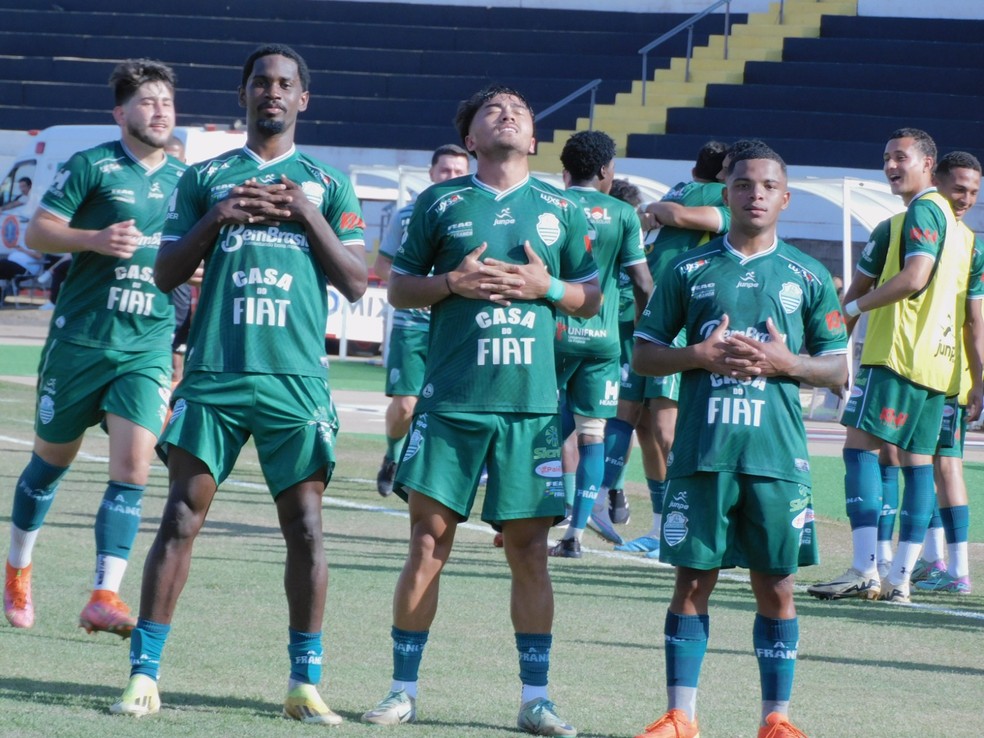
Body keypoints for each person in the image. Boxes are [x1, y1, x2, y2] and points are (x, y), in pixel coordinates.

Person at [110, 44, 368, 723]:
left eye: (285, 84)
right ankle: (144, 674)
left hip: (295, 379)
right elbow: (164, 274)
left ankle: (304, 682)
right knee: (180, 517)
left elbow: (356, 281)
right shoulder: (205, 178)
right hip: (217, 372)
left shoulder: (328, 182)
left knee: (307, 529)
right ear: (244, 94)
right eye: (261, 82)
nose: (272, 93)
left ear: (303, 99)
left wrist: (304, 213)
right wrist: (218, 217)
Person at [360, 84, 599, 736]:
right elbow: (399, 287)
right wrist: (451, 284)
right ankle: (402, 690)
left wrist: (545, 285)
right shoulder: (438, 203)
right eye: (495, 110)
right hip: (452, 404)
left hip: (529, 408)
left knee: (530, 553)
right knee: (427, 543)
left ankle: (535, 699)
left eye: (521, 110)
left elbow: (592, 294)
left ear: (533, 140)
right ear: (471, 139)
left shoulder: (562, 207)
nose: (510, 113)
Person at [630, 140, 848, 738]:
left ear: (785, 197)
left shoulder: (807, 275)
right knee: (692, 579)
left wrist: (786, 362)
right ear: (726, 195)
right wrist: (696, 354)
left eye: (767, 186)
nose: (755, 195)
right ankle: (682, 716)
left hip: (777, 457)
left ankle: (775, 719)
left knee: (776, 583)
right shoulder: (689, 271)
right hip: (703, 451)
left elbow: (836, 369)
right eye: (744, 185)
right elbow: (644, 355)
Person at [3, 59, 185, 634]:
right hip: (81, 341)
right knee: (50, 464)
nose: (159, 111)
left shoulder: (188, 180)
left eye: (166, 103)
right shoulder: (93, 165)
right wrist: (94, 239)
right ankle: (17, 571)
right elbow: (37, 232)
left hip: (147, 345)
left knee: (133, 468)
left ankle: (105, 594)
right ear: (120, 113)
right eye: (147, 101)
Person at [808, 129, 982, 604]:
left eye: (900, 157)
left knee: (861, 449)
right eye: (885, 157)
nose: (889, 166)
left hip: (899, 354)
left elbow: (915, 277)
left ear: (929, 164)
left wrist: (852, 310)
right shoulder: (962, 232)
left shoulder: (920, 213)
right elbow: (971, 313)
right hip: (941, 367)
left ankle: (865, 566)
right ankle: (901, 577)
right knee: (919, 465)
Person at [854, 151, 983, 595]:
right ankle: (920, 564)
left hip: (911, 359)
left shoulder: (912, 224)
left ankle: (881, 563)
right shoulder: (966, 240)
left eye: (972, 192)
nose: (964, 199)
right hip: (944, 368)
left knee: (896, 456)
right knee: (919, 461)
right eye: (959, 189)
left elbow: (971, 318)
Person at [608, 142, 731, 559]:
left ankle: (688, 520)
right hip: (651, 314)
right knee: (644, 429)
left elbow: (670, 216)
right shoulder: (680, 188)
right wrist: (657, 211)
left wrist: (661, 212)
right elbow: (651, 217)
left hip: (679, 315)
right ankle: (661, 528)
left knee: (664, 429)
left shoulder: (724, 197)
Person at [549, 130, 651, 557]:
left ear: (565, 172)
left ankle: (525, 514)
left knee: (540, 428)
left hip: (551, 337)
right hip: (603, 339)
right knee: (593, 433)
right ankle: (574, 534)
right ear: (607, 170)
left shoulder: (548, 204)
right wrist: (648, 336)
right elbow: (643, 283)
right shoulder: (625, 215)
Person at [374, 143, 470, 496]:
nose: (452, 176)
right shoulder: (407, 216)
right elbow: (383, 265)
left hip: (457, 325)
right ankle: (392, 456)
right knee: (405, 405)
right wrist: (419, 290)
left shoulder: (476, 215)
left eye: (459, 171)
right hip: (412, 325)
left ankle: (431, 474)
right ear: (431, 174)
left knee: (452, 407)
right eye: (446, 170)